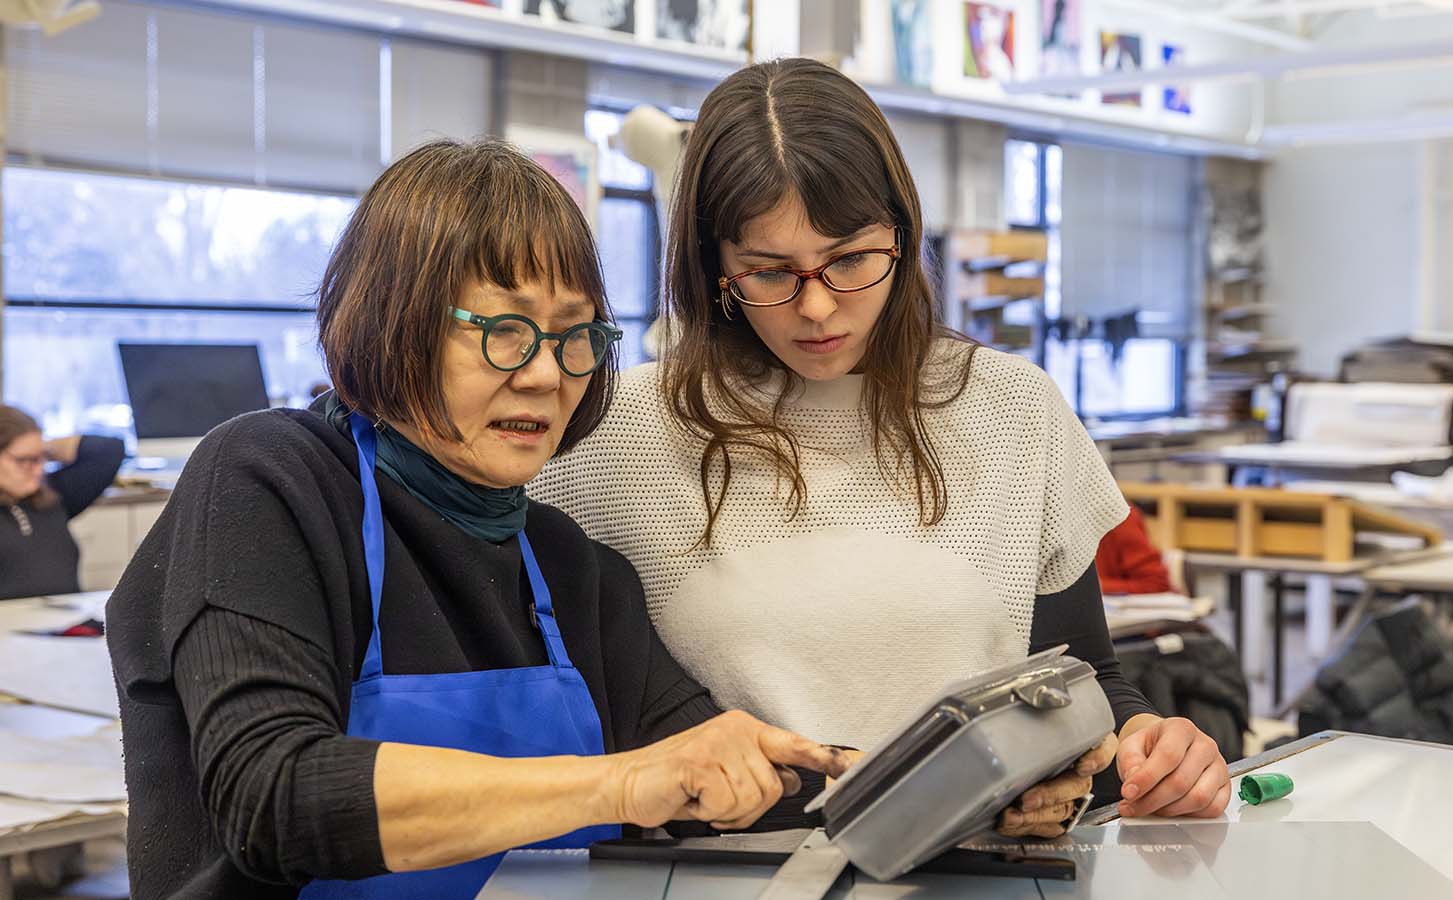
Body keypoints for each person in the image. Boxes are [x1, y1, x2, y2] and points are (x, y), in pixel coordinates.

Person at [106, 139, 848, 900]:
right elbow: (274, 798)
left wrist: (871, 775)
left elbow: (702, 776)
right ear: (396, 322)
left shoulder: (569, 568)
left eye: (574, 336)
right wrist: (617, 783)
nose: (545, 374)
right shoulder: (270, 477)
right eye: (504, 332)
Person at [532, 58, 1231, 834]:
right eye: (769, 272)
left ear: (902, 234)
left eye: (852, 259)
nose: (819, 307)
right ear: (713, 272)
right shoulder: (618, 436)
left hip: (971, 878)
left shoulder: (1012, 409)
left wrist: (1149, 747)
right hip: (719, 883)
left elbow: (1085, 681)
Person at [0, 406, 125, 600]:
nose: (38, 470)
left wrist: (45, 447)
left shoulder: (53, 497)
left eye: (42, 459)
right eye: (25, 460)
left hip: (66, 623)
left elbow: (109, 450)